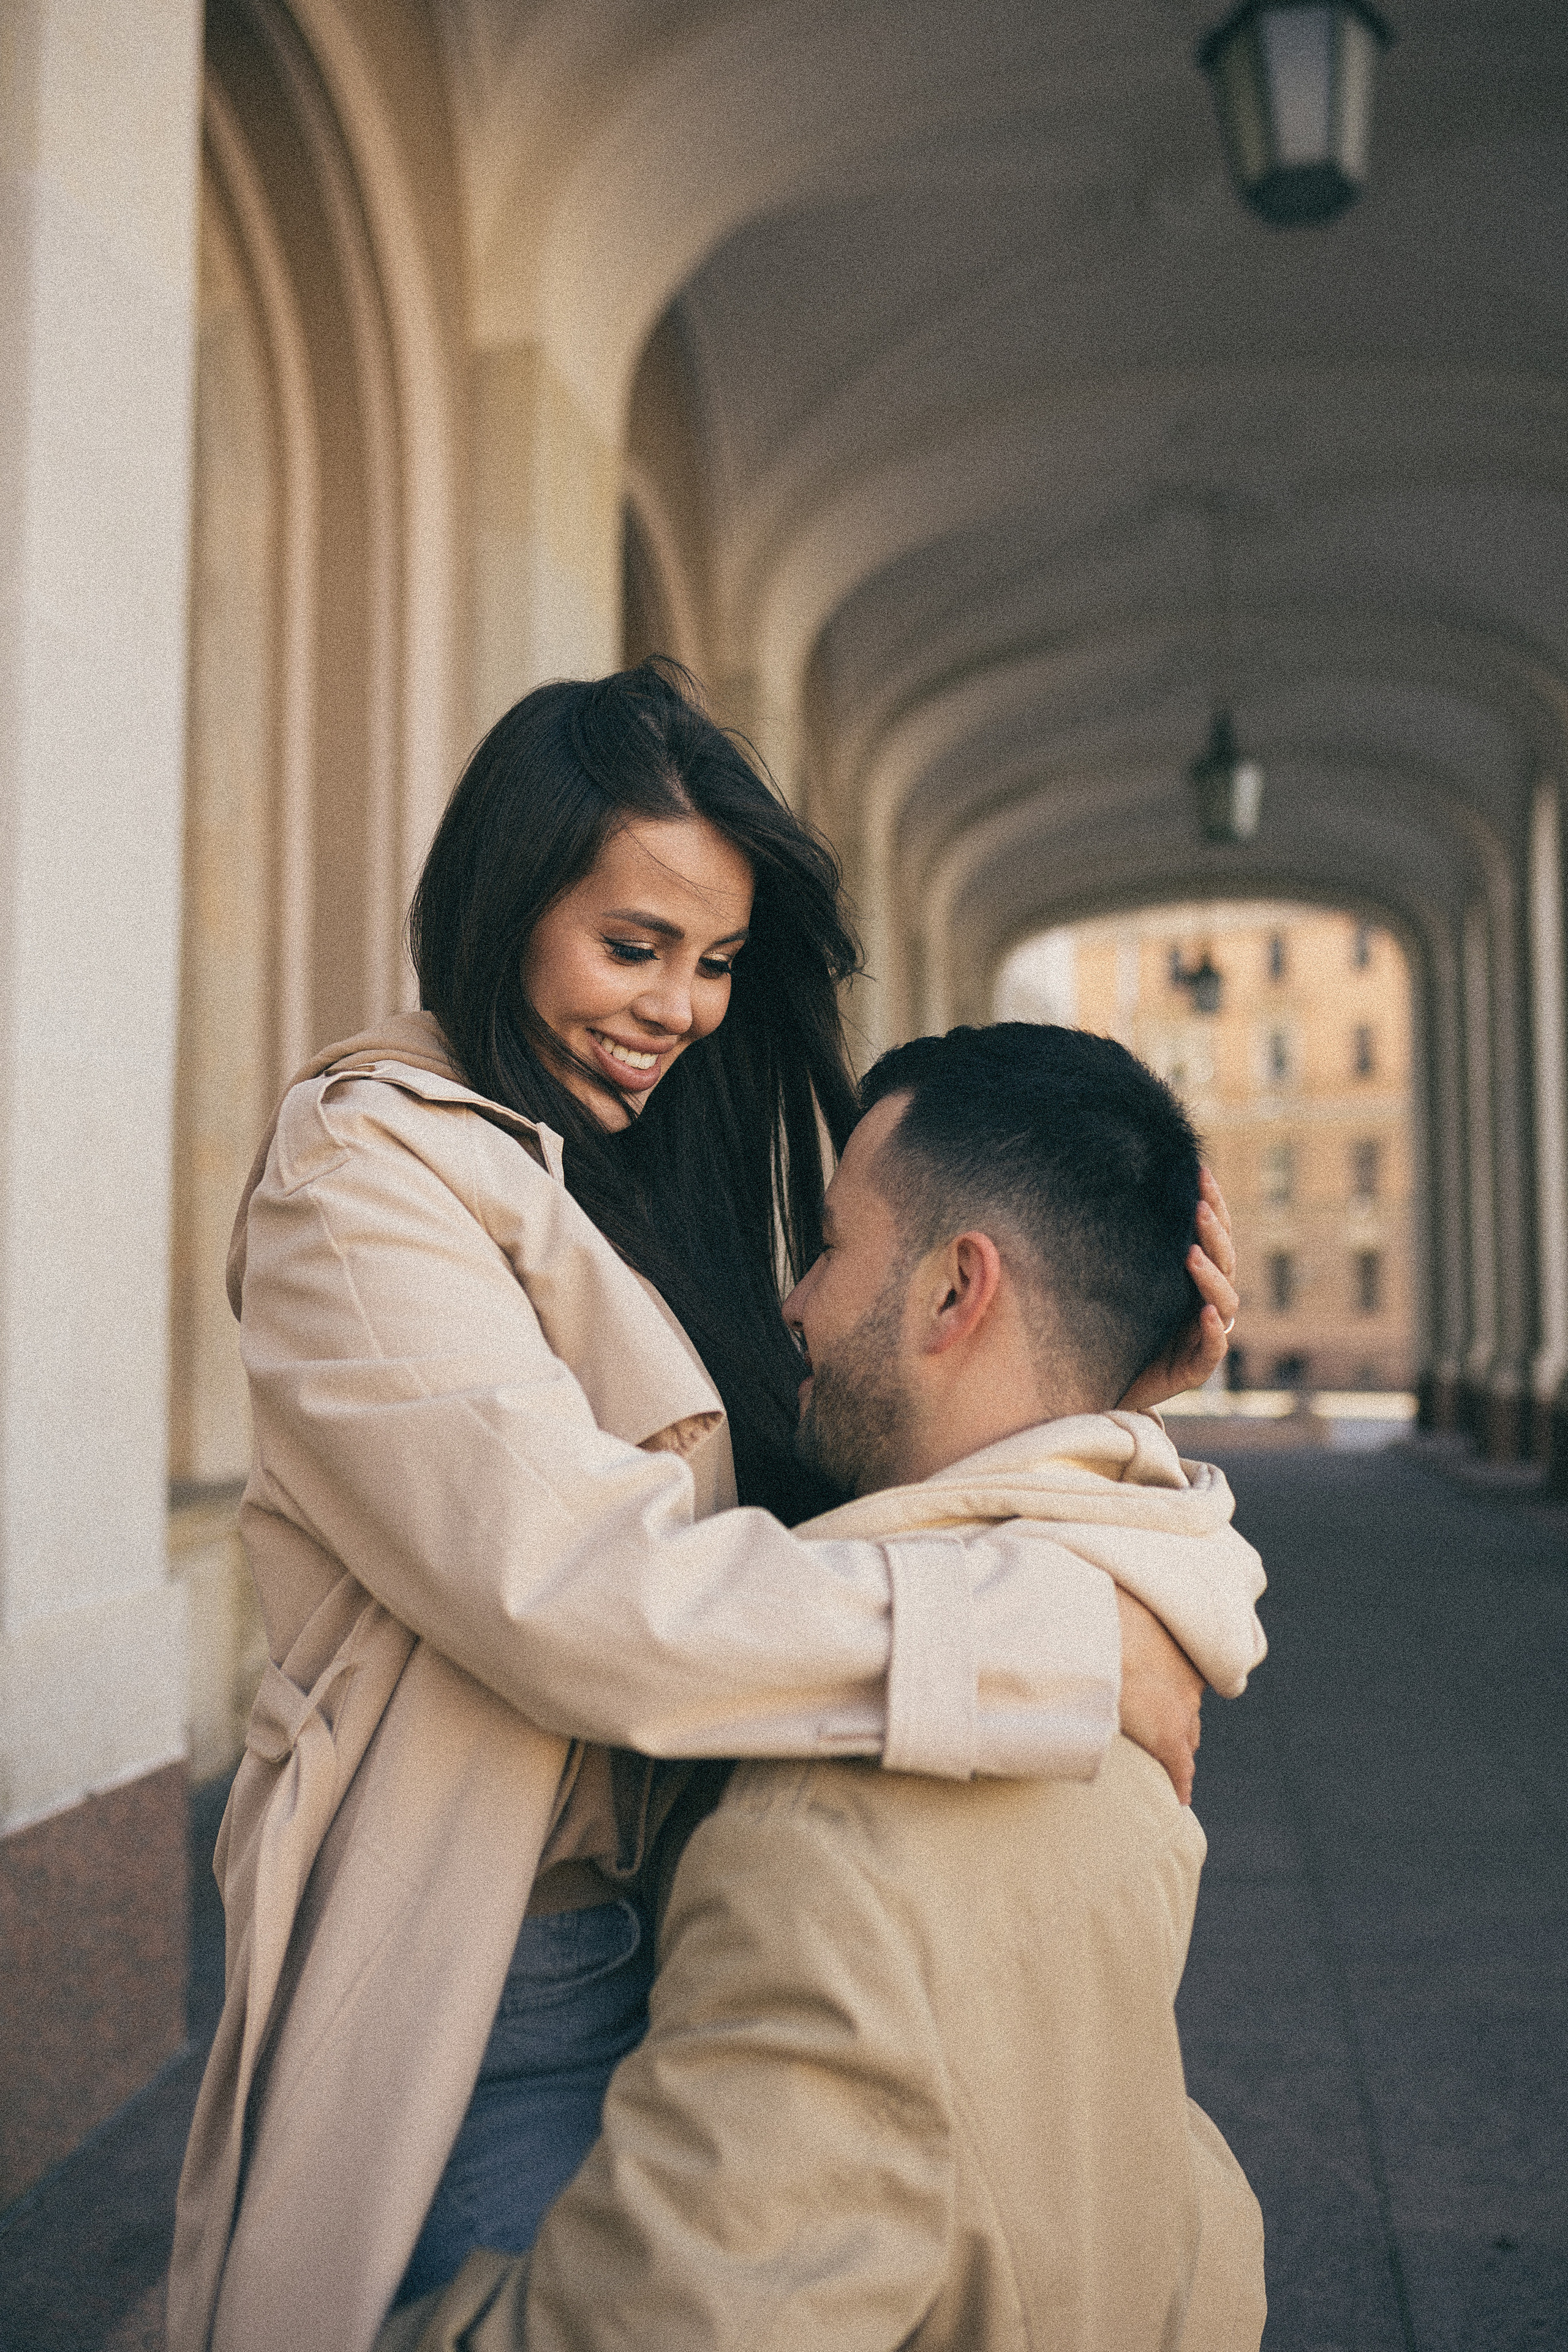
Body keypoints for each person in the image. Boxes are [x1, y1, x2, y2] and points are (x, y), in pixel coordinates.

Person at [167, 665, 1245, 2352]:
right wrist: (1056, 1643)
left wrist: (1107, 1397)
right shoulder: (361, 1179)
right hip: (493, 1969)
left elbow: (835, 1468)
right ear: (507, 909)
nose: (679, 1006)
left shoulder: (632, 1159)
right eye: (634, 945)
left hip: (683, 1925)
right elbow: (580, 1597)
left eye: (720, 961)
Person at [378, 1023, 1268, 2352]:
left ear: (954, 1292)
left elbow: (658, 2328)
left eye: (833, 1246)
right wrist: (1118, 1385)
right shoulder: (1133, 1625)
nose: (791, 1303)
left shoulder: (826, 1839)